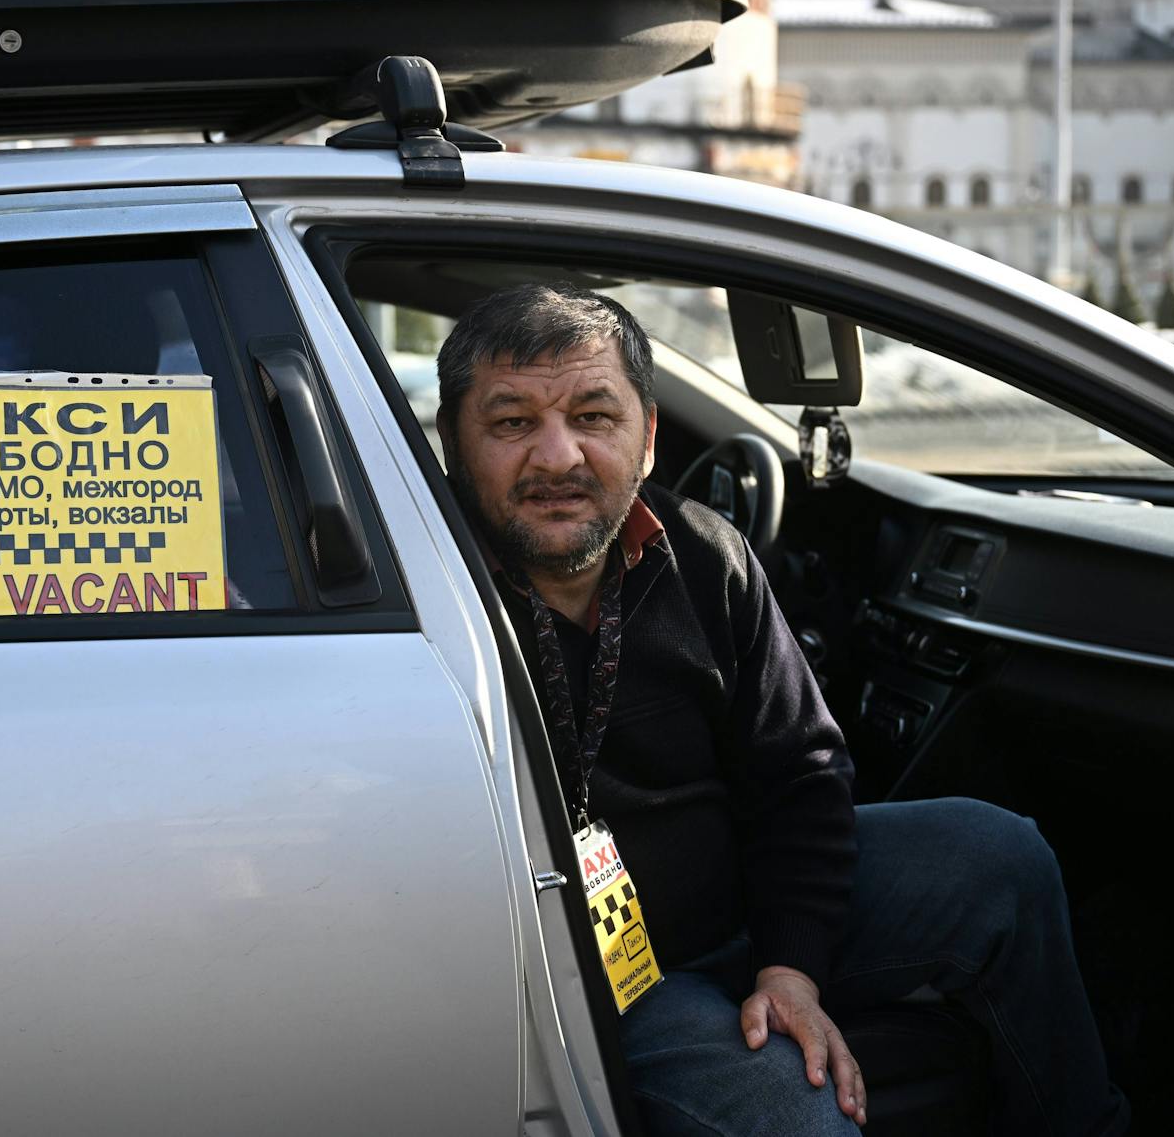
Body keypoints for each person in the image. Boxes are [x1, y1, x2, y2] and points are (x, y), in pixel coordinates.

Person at [433, 282, 1131, 1137]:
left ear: (649, 437)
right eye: (511, 423)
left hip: (748, 903)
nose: (557, 456)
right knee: (806, 1123)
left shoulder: (704, 554)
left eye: (593, 416)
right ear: (454, 447)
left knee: (1000, 859)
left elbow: (801, 771)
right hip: (602, 984)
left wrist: (791, 964)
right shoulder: (427, 600)